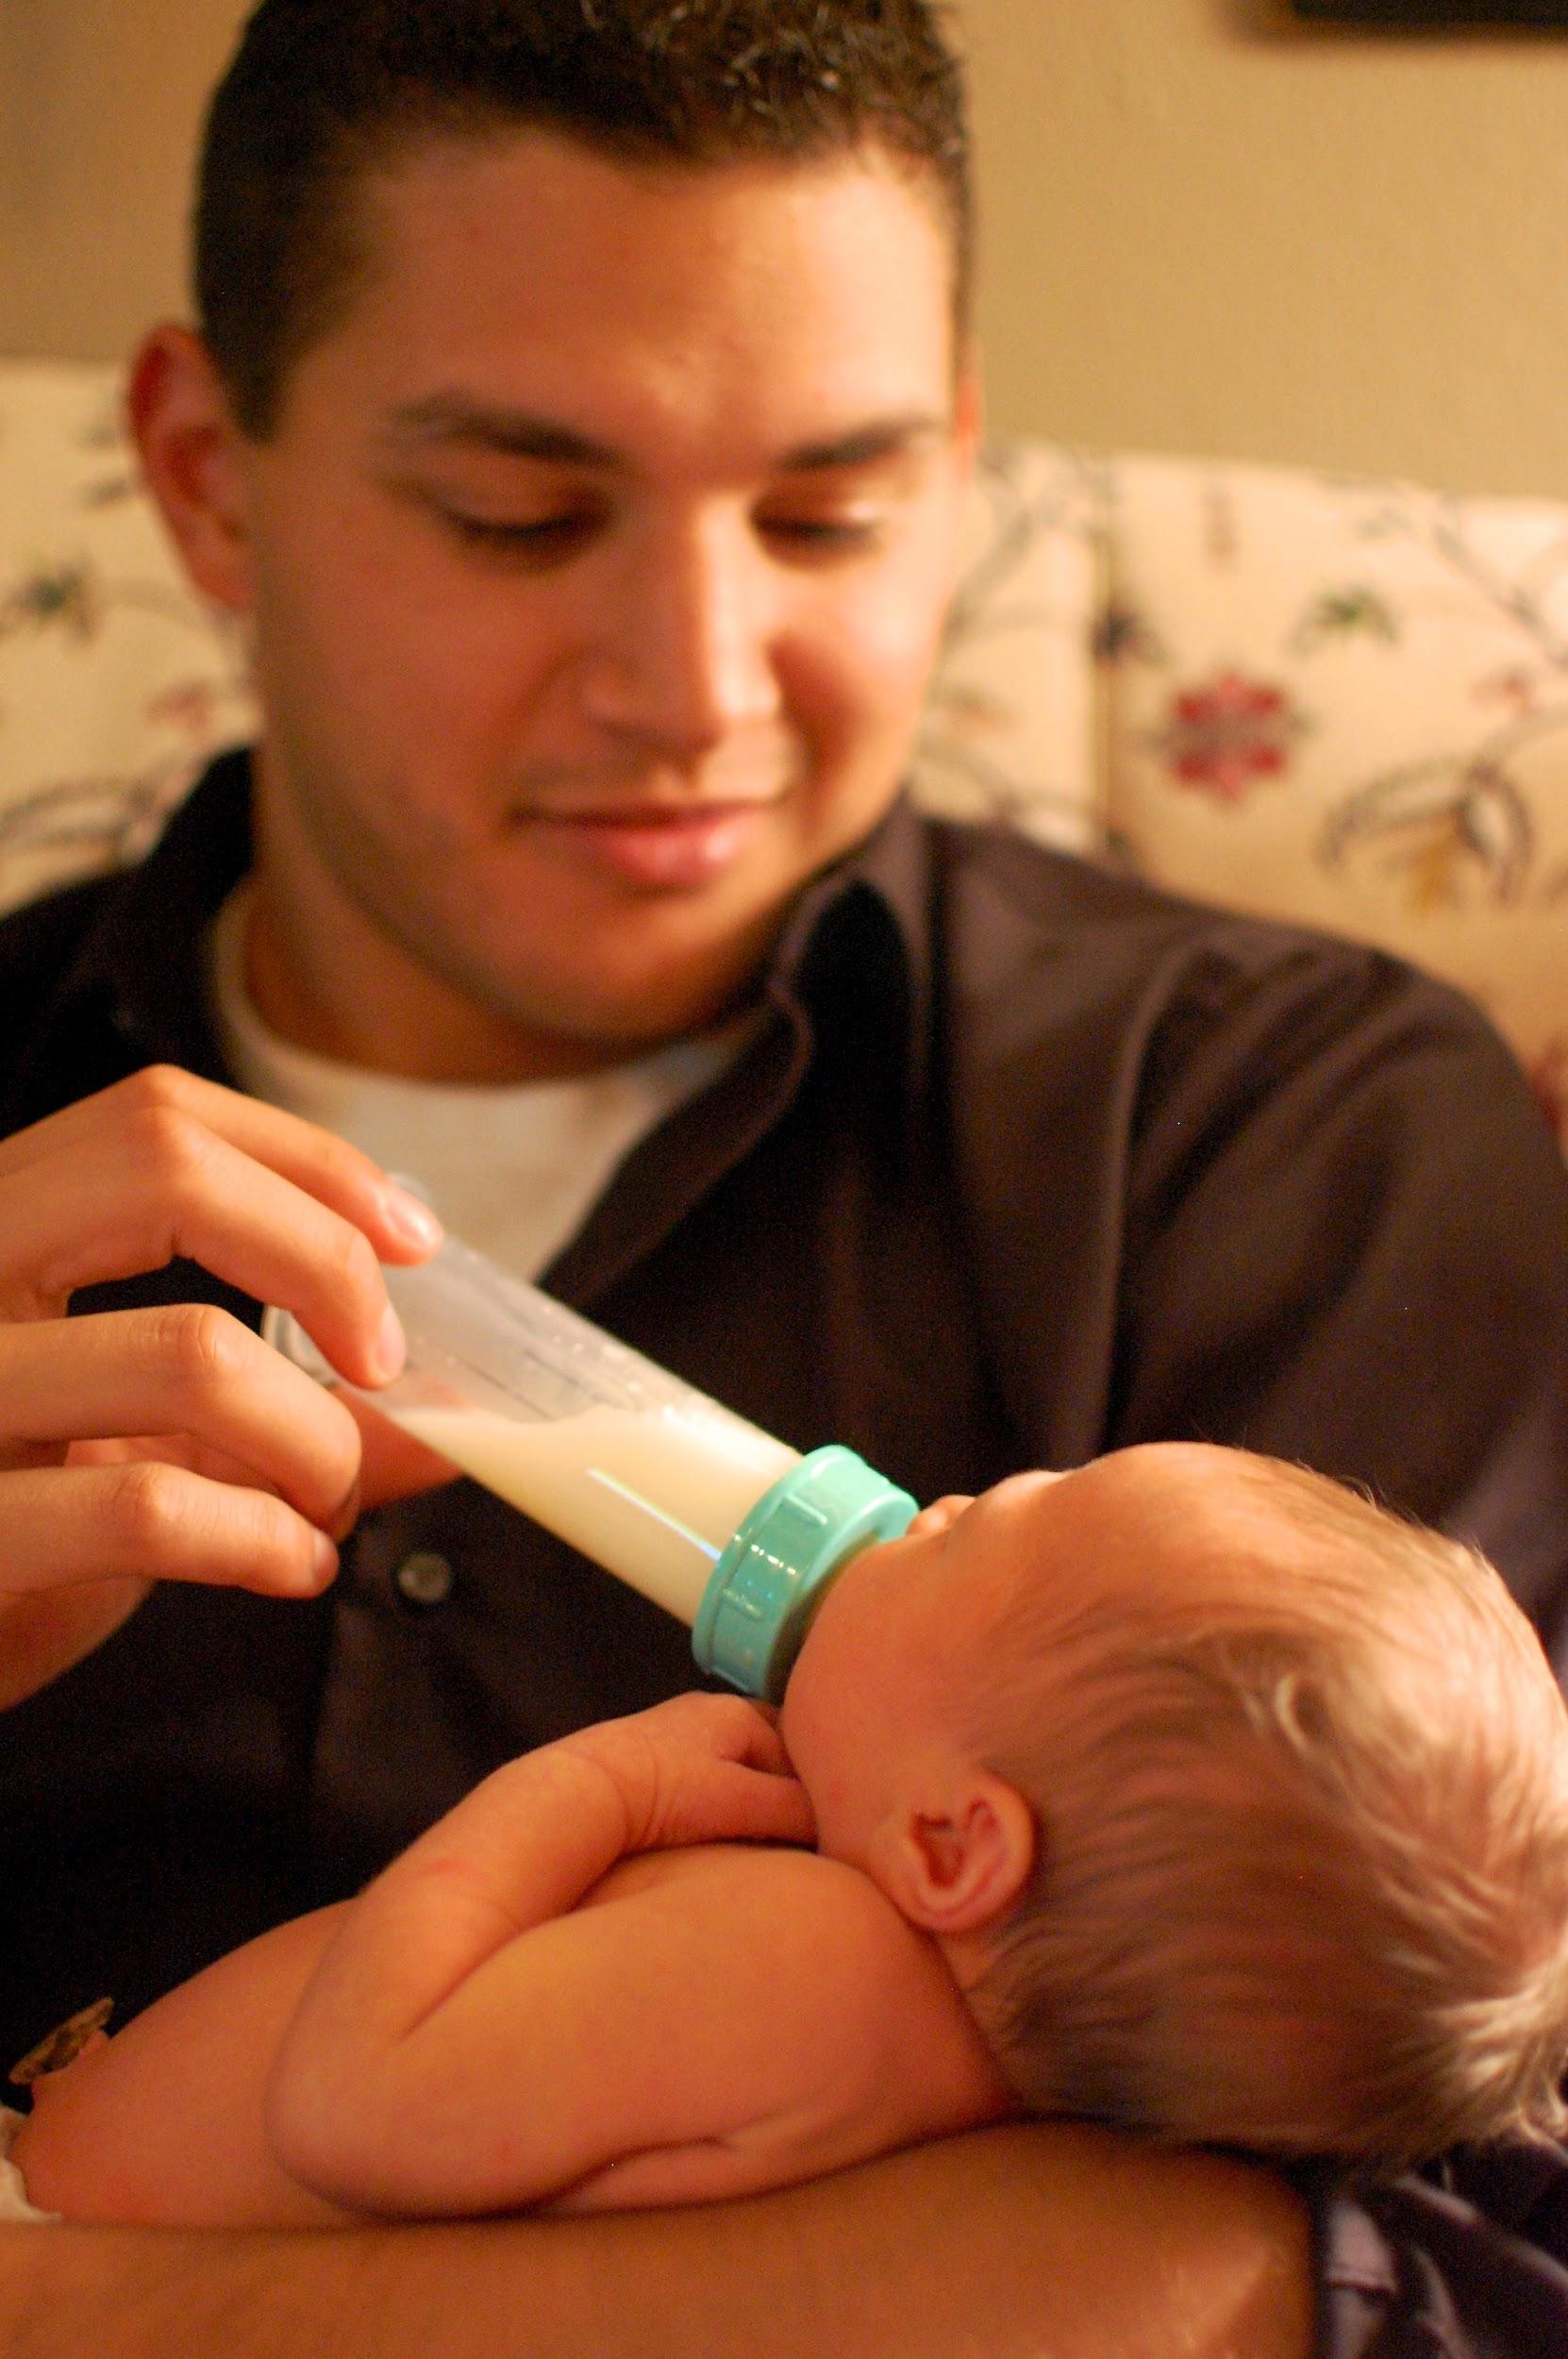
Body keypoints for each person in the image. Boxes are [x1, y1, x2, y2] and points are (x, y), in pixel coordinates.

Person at [1, 0, 1567, 2351]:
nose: (698, 677)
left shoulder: (1277, 1126)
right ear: (209, 473)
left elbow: (1368, 2260)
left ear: (958, 456)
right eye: (520, 512)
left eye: (829, 511)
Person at [7, 1446, 1568, 2235]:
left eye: (983, 1532)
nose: (935, 1501)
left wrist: (588, 1793)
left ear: (956, 1844)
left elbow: (355, 2106)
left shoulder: (804, 1968)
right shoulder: (943, 2070)